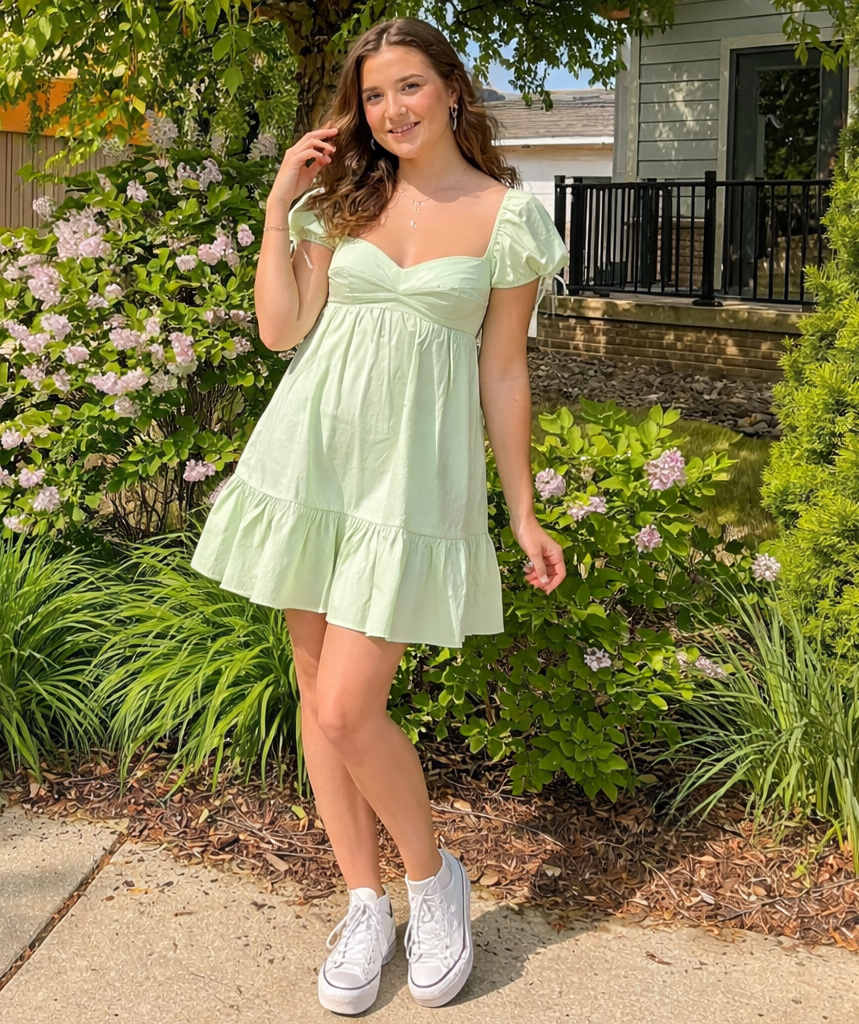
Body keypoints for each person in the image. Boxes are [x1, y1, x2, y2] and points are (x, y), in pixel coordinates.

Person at [190, 15, 569, 1015]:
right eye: (371, 96)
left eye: (407, 86)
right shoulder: (341, 202)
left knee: (350, 707)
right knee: (320, 701)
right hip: (310, 465)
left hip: (410, 485)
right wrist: (279, 207)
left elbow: (501, 368)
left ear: (450, 87)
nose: (389, 110)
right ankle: (364, 901)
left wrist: (522, 509)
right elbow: (282, 332)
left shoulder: (505, 217)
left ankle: (431, 877)